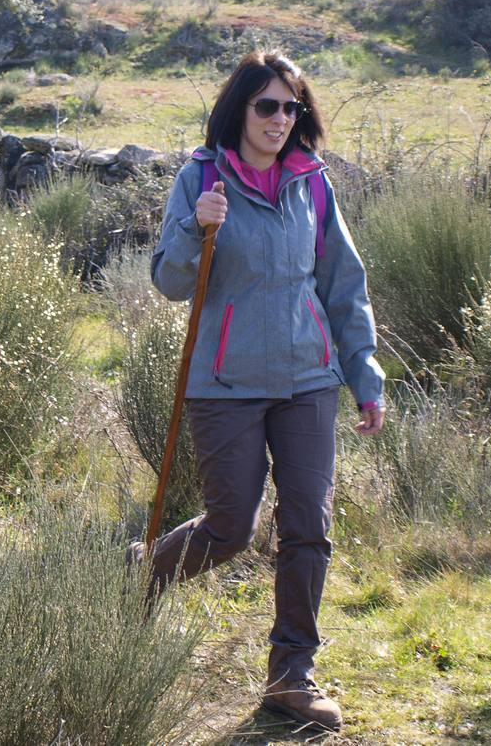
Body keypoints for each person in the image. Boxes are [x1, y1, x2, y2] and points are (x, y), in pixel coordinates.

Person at [146, 51, 385, 733]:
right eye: (267, 106)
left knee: (309, 525)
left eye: (291, 107)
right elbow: (168, 281)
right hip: (225, 383)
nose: (280, 119)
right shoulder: (201, 178)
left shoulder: (312, 182)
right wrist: (196, 227)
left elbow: (343, 284)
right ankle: (141, 575)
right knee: (230, 529)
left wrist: (364, 375)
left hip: (309, 379)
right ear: (241, 108)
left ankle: (290, 678)